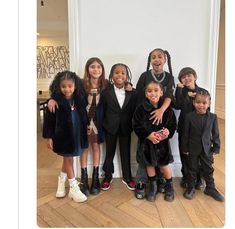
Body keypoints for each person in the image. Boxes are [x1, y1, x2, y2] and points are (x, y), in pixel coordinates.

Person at [135, 48, 175, 199]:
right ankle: (143, 182)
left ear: (165, 60)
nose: (157, 59)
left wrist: (161, 111)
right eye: (153, 57)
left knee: (162, 160)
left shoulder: (169, 77)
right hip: (146, 128)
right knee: (145, 158)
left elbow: (170, 96)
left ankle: (163, 182)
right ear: (150, 60)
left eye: (160, 57)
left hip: (162, 123)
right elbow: (138, 95)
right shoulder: (144, 76)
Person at [42, 70, 88, 202]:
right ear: (58, 86)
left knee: (68, 158)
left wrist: (87, 127)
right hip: (63, 137)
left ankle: (61, 183)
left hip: (77, 135)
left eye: (70, 86)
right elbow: (49, 122)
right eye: (63, 86)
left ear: (75, 86)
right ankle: (73, 188)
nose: (67, 89)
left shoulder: (79, 99)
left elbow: (84, 116)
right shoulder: (54, 102)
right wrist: (49, 137)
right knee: (68, 159)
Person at [181, 91, 224, 202]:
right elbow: (185, 134)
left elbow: (215, 133)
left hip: (207, 149)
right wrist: (184, 148)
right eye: (198, 102)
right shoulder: (189, 117)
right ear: (194, 103)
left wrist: (216, 147)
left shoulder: (213, 117)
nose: (201, 105)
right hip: (192, 149)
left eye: (204, 103)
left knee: (208, 169)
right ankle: (190, 188)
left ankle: (210, 188)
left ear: (209, 104)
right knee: (192, 169)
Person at [100, 63, 137, 191]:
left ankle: (127, 177)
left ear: (127, 76)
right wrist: (104, 125)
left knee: (125, 152)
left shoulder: (132, 92)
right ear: (111, 75)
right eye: (117, 72)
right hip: (110, 127)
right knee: (109, 153)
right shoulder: (105, 92)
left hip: (126, 127)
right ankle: (107, 176)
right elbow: (102, 110)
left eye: (123, 72)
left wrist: (133, 90)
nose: (120, 75)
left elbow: (136, 108)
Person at [175, 67, 207, 189]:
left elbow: (206, 110)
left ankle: (199, 178)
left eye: (189, 75)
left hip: (199, 129)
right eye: (183, 77)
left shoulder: (204, 92)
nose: (186, 78)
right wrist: (180, 91)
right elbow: (177, 106)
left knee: (198, 155)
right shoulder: (181, 91)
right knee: (184, 154)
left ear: (195, 76)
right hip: (184, 128)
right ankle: (186, 177)